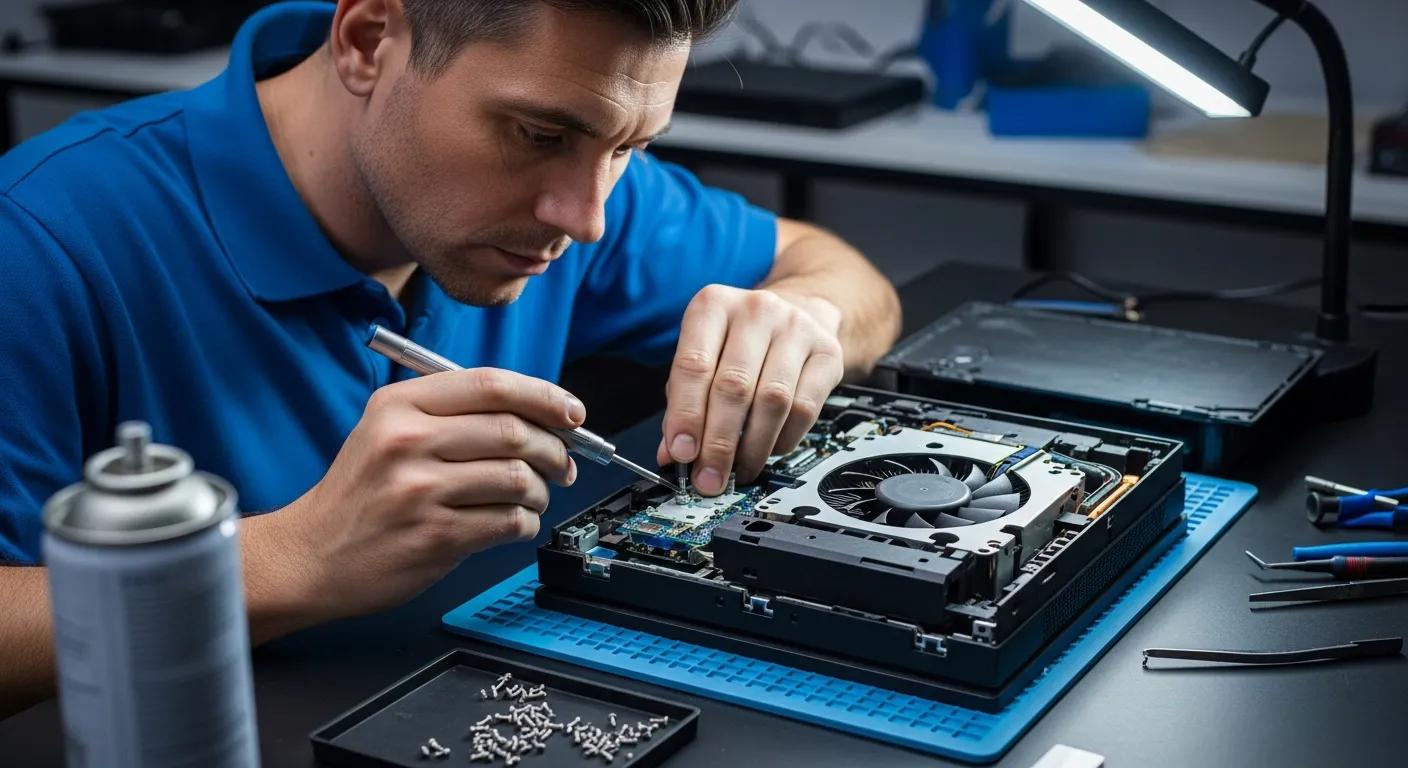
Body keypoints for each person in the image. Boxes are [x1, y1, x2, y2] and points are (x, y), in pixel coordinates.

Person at [0, 0, 900, 713]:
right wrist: (292, 559)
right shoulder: (39, 246)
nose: (584, 218)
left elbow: (848, 276)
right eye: (538, 136)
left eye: (628, 147)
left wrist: (799, 316)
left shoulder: (577, 190)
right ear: (366, 40)